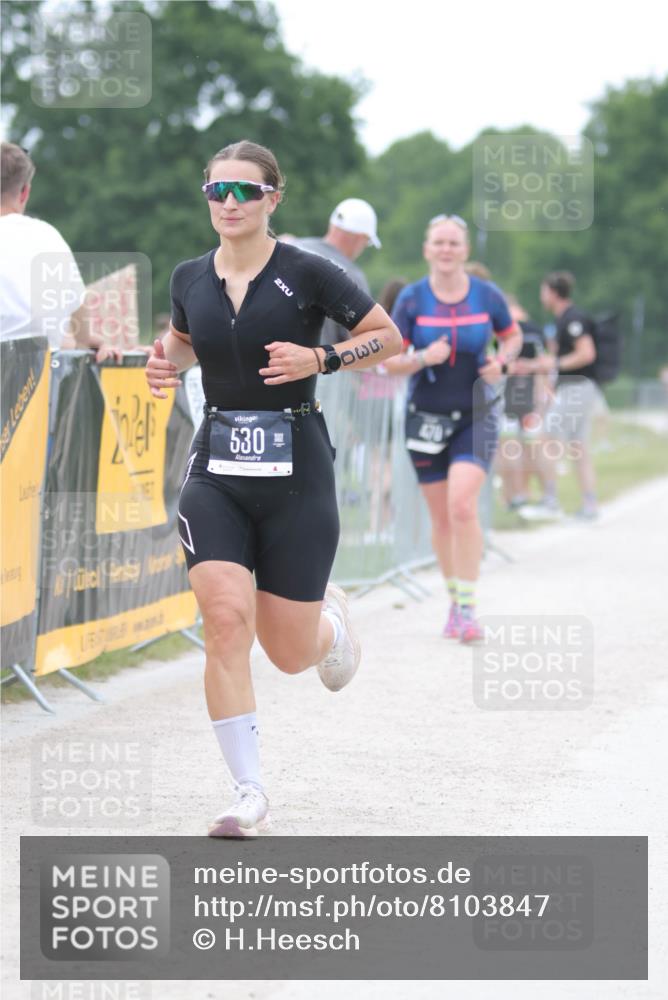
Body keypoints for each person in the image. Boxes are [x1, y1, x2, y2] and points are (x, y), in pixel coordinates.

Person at [145, 140, 401, 837]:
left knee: (289, 652)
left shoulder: (309, 272)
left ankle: (333, 623)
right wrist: (158, 362)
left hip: (297, 469)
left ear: (272, 199)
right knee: (225, 620)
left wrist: (320, 356)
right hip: (218, 469)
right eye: (217, 191)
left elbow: (386, 336)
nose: (229, 204)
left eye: (244, 192)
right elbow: (183, 341)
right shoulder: (189, 277)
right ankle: (247, 791)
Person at [383, 215, 521, 643]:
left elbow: (512, 336)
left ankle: (468, 607)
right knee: (441, 519)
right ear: (427, 249)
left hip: (476, 414)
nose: (446, 250)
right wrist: (424, 357)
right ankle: (455, 603)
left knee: (463, 506)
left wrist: (502, 363)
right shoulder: (410, 300)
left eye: (453, 243)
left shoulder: (486, 294)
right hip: (425, 417)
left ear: (464, 251)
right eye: (439, 242)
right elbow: (390, 362)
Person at [0, 142, 120, 362]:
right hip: (35, 384)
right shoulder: (48, 237)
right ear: (25, 192)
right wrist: (86, 341)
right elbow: (77, 321)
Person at [514, 271, 600, 520]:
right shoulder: (564, 319)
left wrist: (555, 363)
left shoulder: (572, 319)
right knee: (579, 447)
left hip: (577, 387)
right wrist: (534, 366)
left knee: (544, 439)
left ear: (552, 292)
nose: (542, 297)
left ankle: (550, 500)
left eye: (543, 291)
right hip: (578, 388)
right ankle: (590, 504)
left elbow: (586, 354)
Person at [297, 198, 381, 344]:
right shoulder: (352, 276)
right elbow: (363, 338)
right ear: (361, 238)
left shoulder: (290, 247)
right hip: (316, 362)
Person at [495, 295, 550, 511]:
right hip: (532, 394)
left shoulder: (502, 329)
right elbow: (545, 364)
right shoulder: (537, 330)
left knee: (508, 448)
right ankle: (543, 494)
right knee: (532, 448)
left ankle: (514, 496)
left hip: (508, 393)